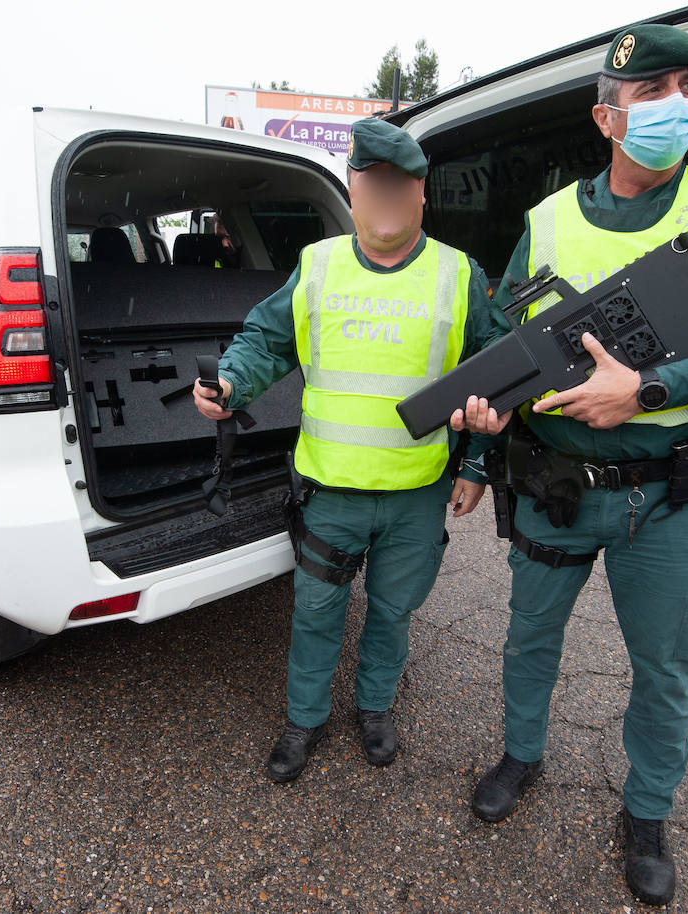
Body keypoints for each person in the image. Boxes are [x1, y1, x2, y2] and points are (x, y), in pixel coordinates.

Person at [450, 24, 688, 907]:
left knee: (663, 670)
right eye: (652, 95)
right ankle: (521, 754)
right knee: (529, 638)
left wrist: (650, 388)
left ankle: (647, 812)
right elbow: (502, 348)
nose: (677, 108)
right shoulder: (546, 220)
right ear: (607, 119)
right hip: (554, 487)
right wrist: (479, 422)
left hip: (672, 497)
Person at [194, 118, 500, 783]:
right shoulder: (318, 265)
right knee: (315, 616)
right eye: (372, 183)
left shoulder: (458, 274)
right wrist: (230, 381)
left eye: (401, 184)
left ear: (422, 194)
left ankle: (376, 708)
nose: (386, 197)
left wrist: (477, 464)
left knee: (392, 612)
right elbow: (265, 343)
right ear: (353, 190)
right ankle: (305, 720)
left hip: (416, 495)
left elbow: (498, 371)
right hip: (329, 493)